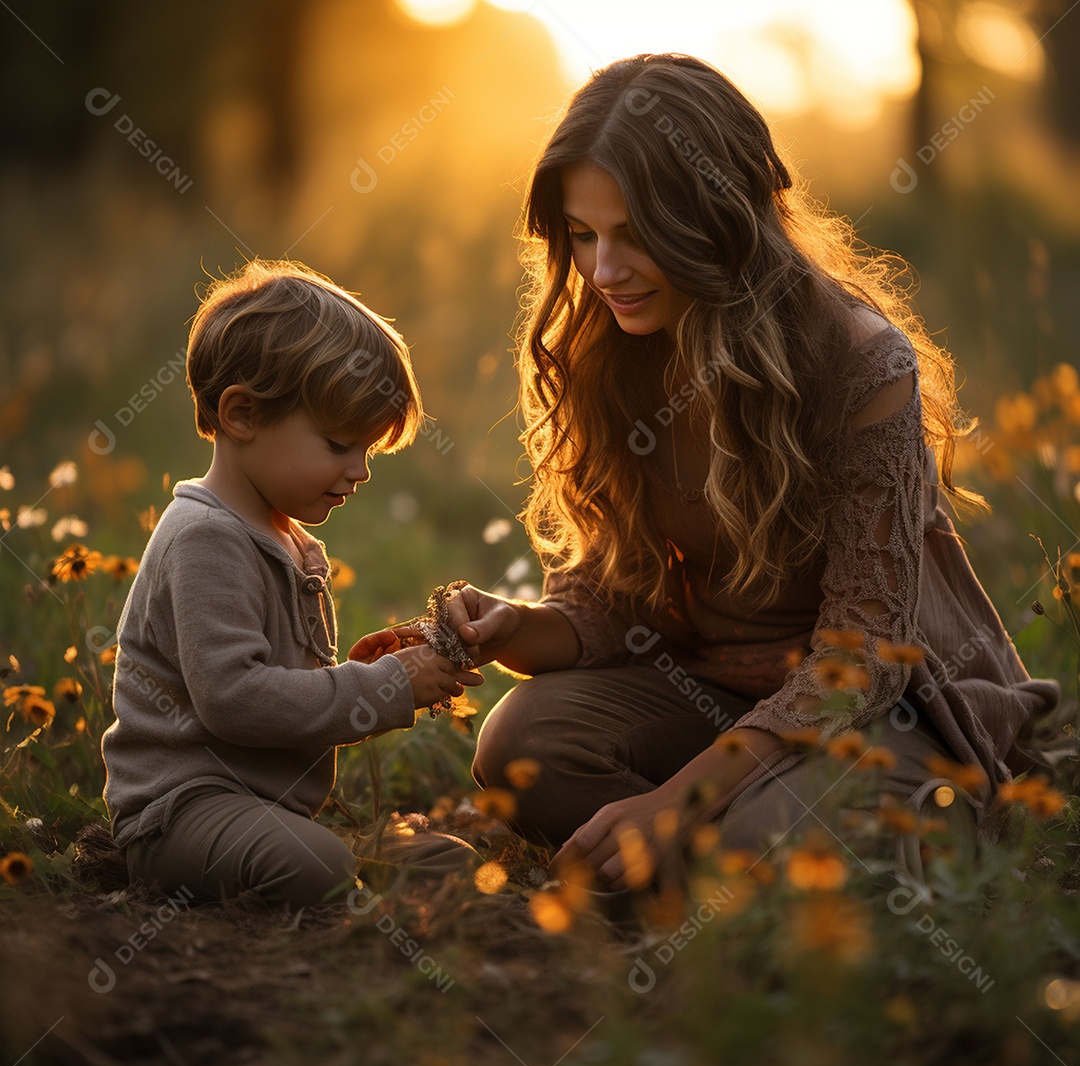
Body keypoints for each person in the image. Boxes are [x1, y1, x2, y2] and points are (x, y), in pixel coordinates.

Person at [445, 54, 1060, 888]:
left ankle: (776, 853)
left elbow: (865, 655)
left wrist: (673, 802)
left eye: (634, 235)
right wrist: (521, 629)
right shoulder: (613, 349)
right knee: (521, 746)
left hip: (875, 708)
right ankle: (749, 866)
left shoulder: (864, 365)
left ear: (720, 218)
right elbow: (619, 594)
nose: (602, 272)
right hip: (707, 693)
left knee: (761, 839)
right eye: (583, 236)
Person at [101, 260, 483, 907]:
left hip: (266, 802)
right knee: (318, 868)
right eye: (339, 444)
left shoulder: (288, 536)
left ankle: (345, 860)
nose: (360, 471)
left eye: (368, 451)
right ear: (243, 415)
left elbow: (282, 679)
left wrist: (367, 664)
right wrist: (381, 689)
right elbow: (235, 700)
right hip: (183, 807)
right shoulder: (205, 537)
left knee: (449, 860)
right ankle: (343, 874)